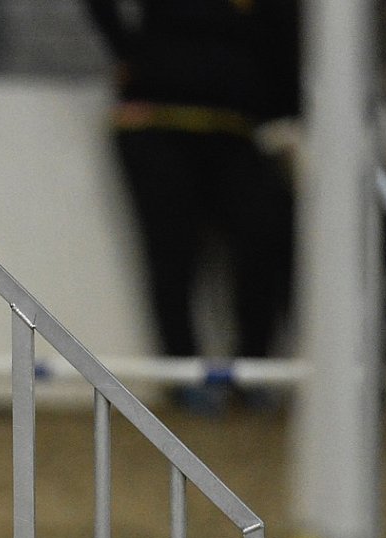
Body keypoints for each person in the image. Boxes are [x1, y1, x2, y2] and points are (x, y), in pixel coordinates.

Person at [84, 0, 300, 413]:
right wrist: (128, 53)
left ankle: (251, 374)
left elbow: (283, 31)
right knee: (172, 255)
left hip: (239, 126)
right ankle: (185, 377)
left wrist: (284, 104)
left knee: (263, 243)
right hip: (157, 119)